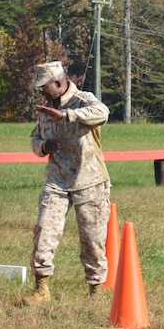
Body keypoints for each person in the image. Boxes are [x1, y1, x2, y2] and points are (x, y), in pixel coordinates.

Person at [23, 60, 111, 305]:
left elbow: (103, 113)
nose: (41, 92)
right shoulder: (45, 108)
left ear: (58, 83)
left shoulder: (84, 100)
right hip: (57, 181)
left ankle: (95, 291)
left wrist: (64, 115)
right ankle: (41, 289)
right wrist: (43, 146)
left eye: (44, 87)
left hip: (89, 181)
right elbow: (35, 137)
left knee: (92, 240)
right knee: (44, 232)